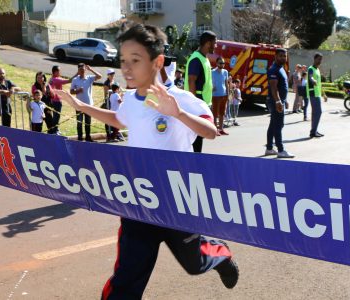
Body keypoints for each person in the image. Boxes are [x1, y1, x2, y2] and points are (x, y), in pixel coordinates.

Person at [53, 23, 238, 300]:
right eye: (123, 61)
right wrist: (81, 107)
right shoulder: (129, 100)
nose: (126, 68)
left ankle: (220, 256)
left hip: (178, 199)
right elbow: (118, 119)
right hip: (139, 198)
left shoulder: (181, 99)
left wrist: (177, 114)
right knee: (127, 277)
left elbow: (210, 132)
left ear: (157, 61)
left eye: (135, 60)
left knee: (194, 263)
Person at [185, 30, 216, 152]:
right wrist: (194, 104)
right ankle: (194, 163)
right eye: (215, 43)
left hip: (203, 102)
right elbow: (191, 81)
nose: (216, 46)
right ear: (208, 43)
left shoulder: (205, 58)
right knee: (196, 137)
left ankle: (196, 161)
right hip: (197, 102)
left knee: (199, 136)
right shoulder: (196, 59)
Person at [265, 48, 295, 159]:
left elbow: (282, 86)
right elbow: (273, 87)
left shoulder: (280, 68)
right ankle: (281, 150)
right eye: (281, 56)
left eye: (285, 56)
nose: (283, 58)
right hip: (275, 101)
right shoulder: (273, 69)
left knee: (273, 124)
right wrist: (278, 101)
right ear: (275, 56)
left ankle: (269, 148)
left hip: (279, 100)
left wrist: (285, 100)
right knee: (278, 124)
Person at [70, 63, 101, 141]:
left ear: (85, 70)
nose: (82, 71)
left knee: (88, 122)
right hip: (79, 105)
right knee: (79, 123)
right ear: (78, 70)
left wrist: (91, 69)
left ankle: (88, 137)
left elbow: (100, 76)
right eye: (80, 70)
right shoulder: (75, 79)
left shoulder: (89, 78)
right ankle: (80, 138)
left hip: (88, 105)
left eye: (83, 69)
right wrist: (78, 90)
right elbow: (71, 91)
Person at [306, 53, 327, 138]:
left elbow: (320, 84)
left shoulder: (317, 70)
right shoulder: (311, 69)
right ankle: (313, 131)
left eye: (321, 59)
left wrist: (324, 94)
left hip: (317, 93)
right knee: (318, 112)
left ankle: (314, 131)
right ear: (314, 59)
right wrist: (312, 80)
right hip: (313, 92)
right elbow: (310, 77)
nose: (320, 61)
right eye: (319, 59)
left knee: (315, 113)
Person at [48, 65, 71, 135]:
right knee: (56, 116)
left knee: (55, 116)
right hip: (57, 100)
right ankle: (54, 131)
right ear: (55, 72)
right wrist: (77, 74)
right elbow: (68, 81)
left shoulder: (51, 79)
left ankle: (55, 129)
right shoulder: (56, 79)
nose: (60, 72)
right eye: (59, 71)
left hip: (53, 100)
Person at [211, 57, 230, 135]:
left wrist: (228, 94)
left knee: (222, 113)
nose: (222, 65)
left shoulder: (225, 72)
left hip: (223, 95)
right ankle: (215, 130)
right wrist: (212, 87)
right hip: (215, 95)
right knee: (215, 113)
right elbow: (209, 82)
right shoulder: (212, 72)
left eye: (223, 63)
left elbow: (226, 83)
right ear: (217, 63)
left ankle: (221, 129)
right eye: (220, 63)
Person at [103, 68, 118, 141]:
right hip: (109, 103)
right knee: (108, 119)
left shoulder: (114, 82)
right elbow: (106, 94)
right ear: (108, 75)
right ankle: (108, 136)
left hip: (114, 103)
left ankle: (114, 135)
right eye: (111, 74)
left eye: (113, 74)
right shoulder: (106, 83)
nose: (112, 75)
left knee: (114, 118)